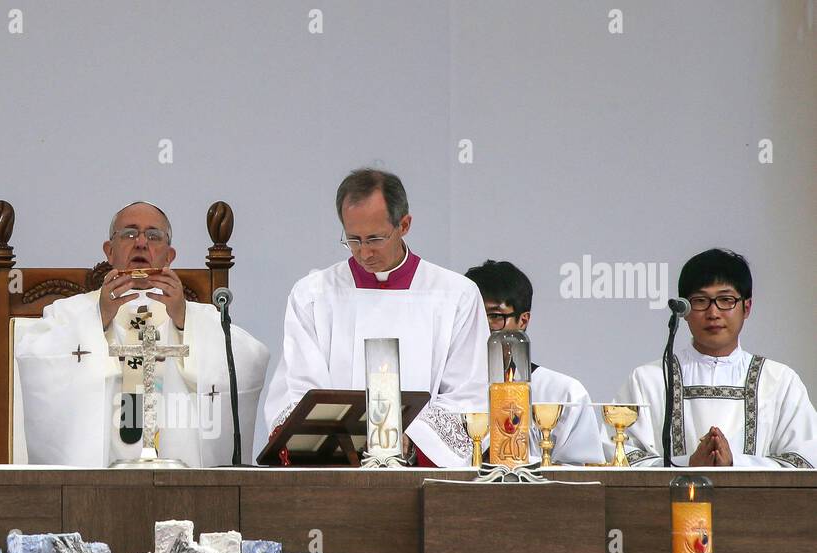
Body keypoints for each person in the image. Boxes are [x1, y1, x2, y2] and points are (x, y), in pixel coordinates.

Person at [13, 201, 269, 466]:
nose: (141, 243)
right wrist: (97, 318)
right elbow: (34, 356)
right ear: (109, 251)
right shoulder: (72, 313)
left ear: (170, 256)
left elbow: (248, 360)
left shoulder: (198, 317)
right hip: (95, 479)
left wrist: (184, 322)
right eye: (130, 234)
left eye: (154, 236)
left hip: (179, 476)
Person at [263, 168, 487, 466]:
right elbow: (299, 389)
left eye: (375, 239)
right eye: (353, 240)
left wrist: (412, 442)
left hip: (418, 471)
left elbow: (468, 394)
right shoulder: (313, 295)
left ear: (404, 224)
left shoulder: (455, 295)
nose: (364, 253)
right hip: (335, 472)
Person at [615, 248, 816, 467]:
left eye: (726, 299)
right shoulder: (648, 380)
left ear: (746, 307)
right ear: (684, 309)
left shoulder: (779, 381)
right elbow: (619, 458)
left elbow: (804, 461)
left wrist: (734, 463)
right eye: (701, 301)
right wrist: (688, 464)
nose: (713, 313)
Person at [465, 260, 605, 466]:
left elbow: (582, 476)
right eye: (473, 315)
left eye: (495, 316)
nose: (482, 326)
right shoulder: (447, 391)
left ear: (523, 320)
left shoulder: (563, 393)